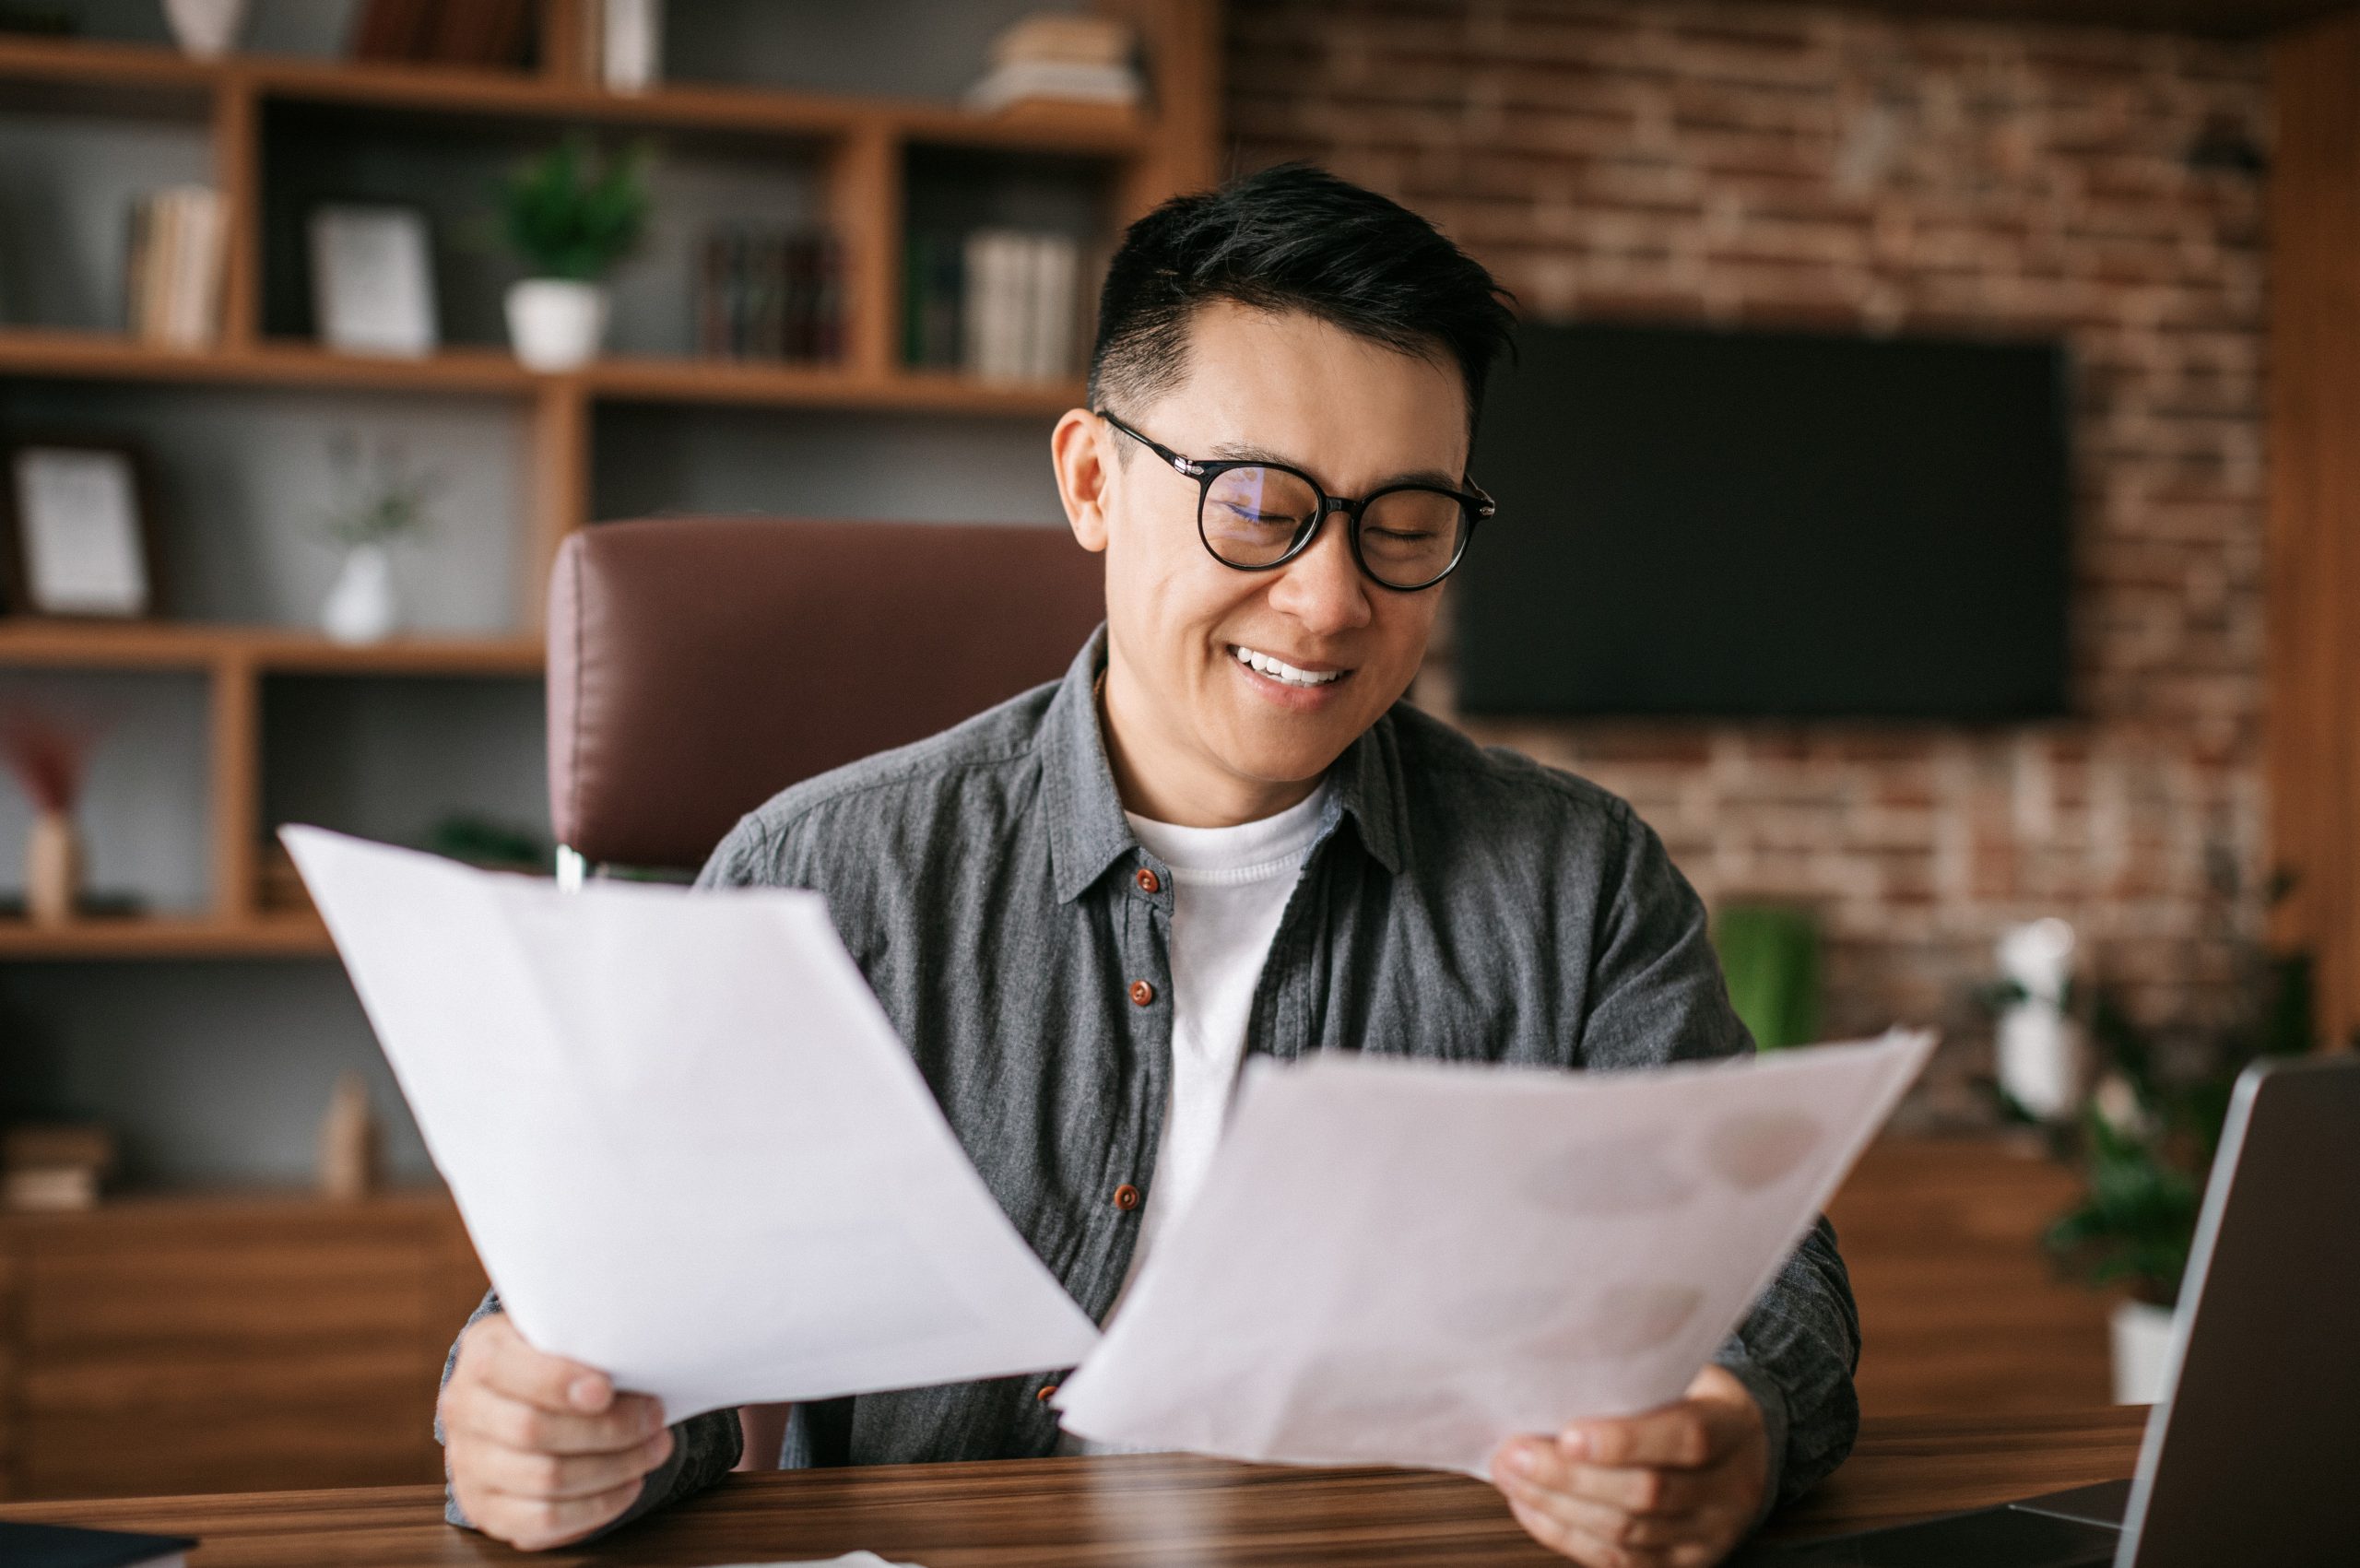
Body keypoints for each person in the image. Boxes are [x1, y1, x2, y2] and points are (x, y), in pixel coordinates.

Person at [434, 163, 1861, 1567]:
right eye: (1257, 504)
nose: (1328, 599)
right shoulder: (826, 879)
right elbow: (620, 1334)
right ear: (1092, 480)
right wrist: (547, 1427)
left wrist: (1729, 1421)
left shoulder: (1575, 881)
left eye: (1407, 525)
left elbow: (1762, 1268)